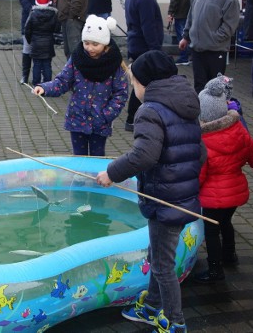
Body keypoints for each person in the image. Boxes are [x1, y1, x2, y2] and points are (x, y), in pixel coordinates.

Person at [96, 50, 202, 333]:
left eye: (134, 84)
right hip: (183, 196)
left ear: (147, 84)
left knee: (162, 266)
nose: (134, 90)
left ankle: (175, 321)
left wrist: (111, 173)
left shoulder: (150, 110)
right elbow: (199, 153)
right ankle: (152, 306)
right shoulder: (186, 104)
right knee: (158, 258)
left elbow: (144, 155)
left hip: (165, 200)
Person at [193, 75, 253, 284]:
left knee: (212, 231)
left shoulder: (203, 141)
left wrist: (189, 189)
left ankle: (215, 270)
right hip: (235, 192)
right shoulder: (239, 129)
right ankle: (230, 255)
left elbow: (200, 175)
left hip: (212, 196)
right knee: (226, 222)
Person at [32, 15, 127, 156]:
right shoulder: (76, 58)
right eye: (86, 43)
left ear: (105, 43)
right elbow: (63, 81)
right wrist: (45, 88)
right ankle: (79, 179)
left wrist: (105, 115)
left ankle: (96, 179)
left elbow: (121, 94)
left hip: (100, 122)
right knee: (79, 157)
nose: (90, 48)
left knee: (97, 157)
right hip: (77, 120)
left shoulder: (114, 64)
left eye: (95, 44)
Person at [179, 0, 240, 94]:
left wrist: (213, 38)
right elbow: (191, 17)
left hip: (215, 51)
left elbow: (230, 25)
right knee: (199, 86)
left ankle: (214, 114)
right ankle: (200, 114)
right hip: (197, 50)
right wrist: (186, 37)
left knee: (215, 89)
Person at [124, 0, 164, 132]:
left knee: (140, 81)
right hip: (145, 47)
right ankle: (133, 118)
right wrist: (155, 49)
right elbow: (148, 25)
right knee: (141, 84)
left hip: (136, 44)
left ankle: (134, 117)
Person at [17, 0, 54, 85]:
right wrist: (32, 10)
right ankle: (25, 75)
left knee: (44, 49)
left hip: (44, 19)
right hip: (29, 18)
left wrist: (47, 6)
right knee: (27, 48)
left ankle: (44, 77)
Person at [24, 0, 59, 85]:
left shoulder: (32, 14)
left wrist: (29, 40)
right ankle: (47, 84)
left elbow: (27, 29)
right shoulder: (53, 14)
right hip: (48, 43)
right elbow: (57, 29)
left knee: (37, 64)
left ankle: (36, 83)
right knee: (47, 65)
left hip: (36, 43)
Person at [168, 0, 197, 65]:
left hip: (180, 13)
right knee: (191, 35)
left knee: (182, 36)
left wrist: (170, 12)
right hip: (192, 12)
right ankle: (191, 57)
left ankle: (184, 57)